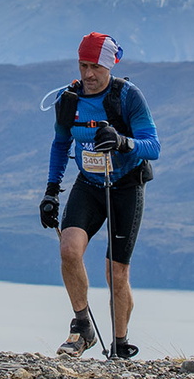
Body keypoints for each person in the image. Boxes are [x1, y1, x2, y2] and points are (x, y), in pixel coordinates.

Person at [39, 32, 160, 358]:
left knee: (115, 272)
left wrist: (123, 142)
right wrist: (52, 191)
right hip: (90, 185)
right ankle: (82, 328)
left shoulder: (128, 97)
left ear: (109, 66)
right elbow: (61, 144)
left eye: (95, 66)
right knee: (69, 250)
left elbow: (154, 146)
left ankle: (120, 344)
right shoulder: (69, 100)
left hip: (125, 187)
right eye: (83, 65)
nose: (88, 74)